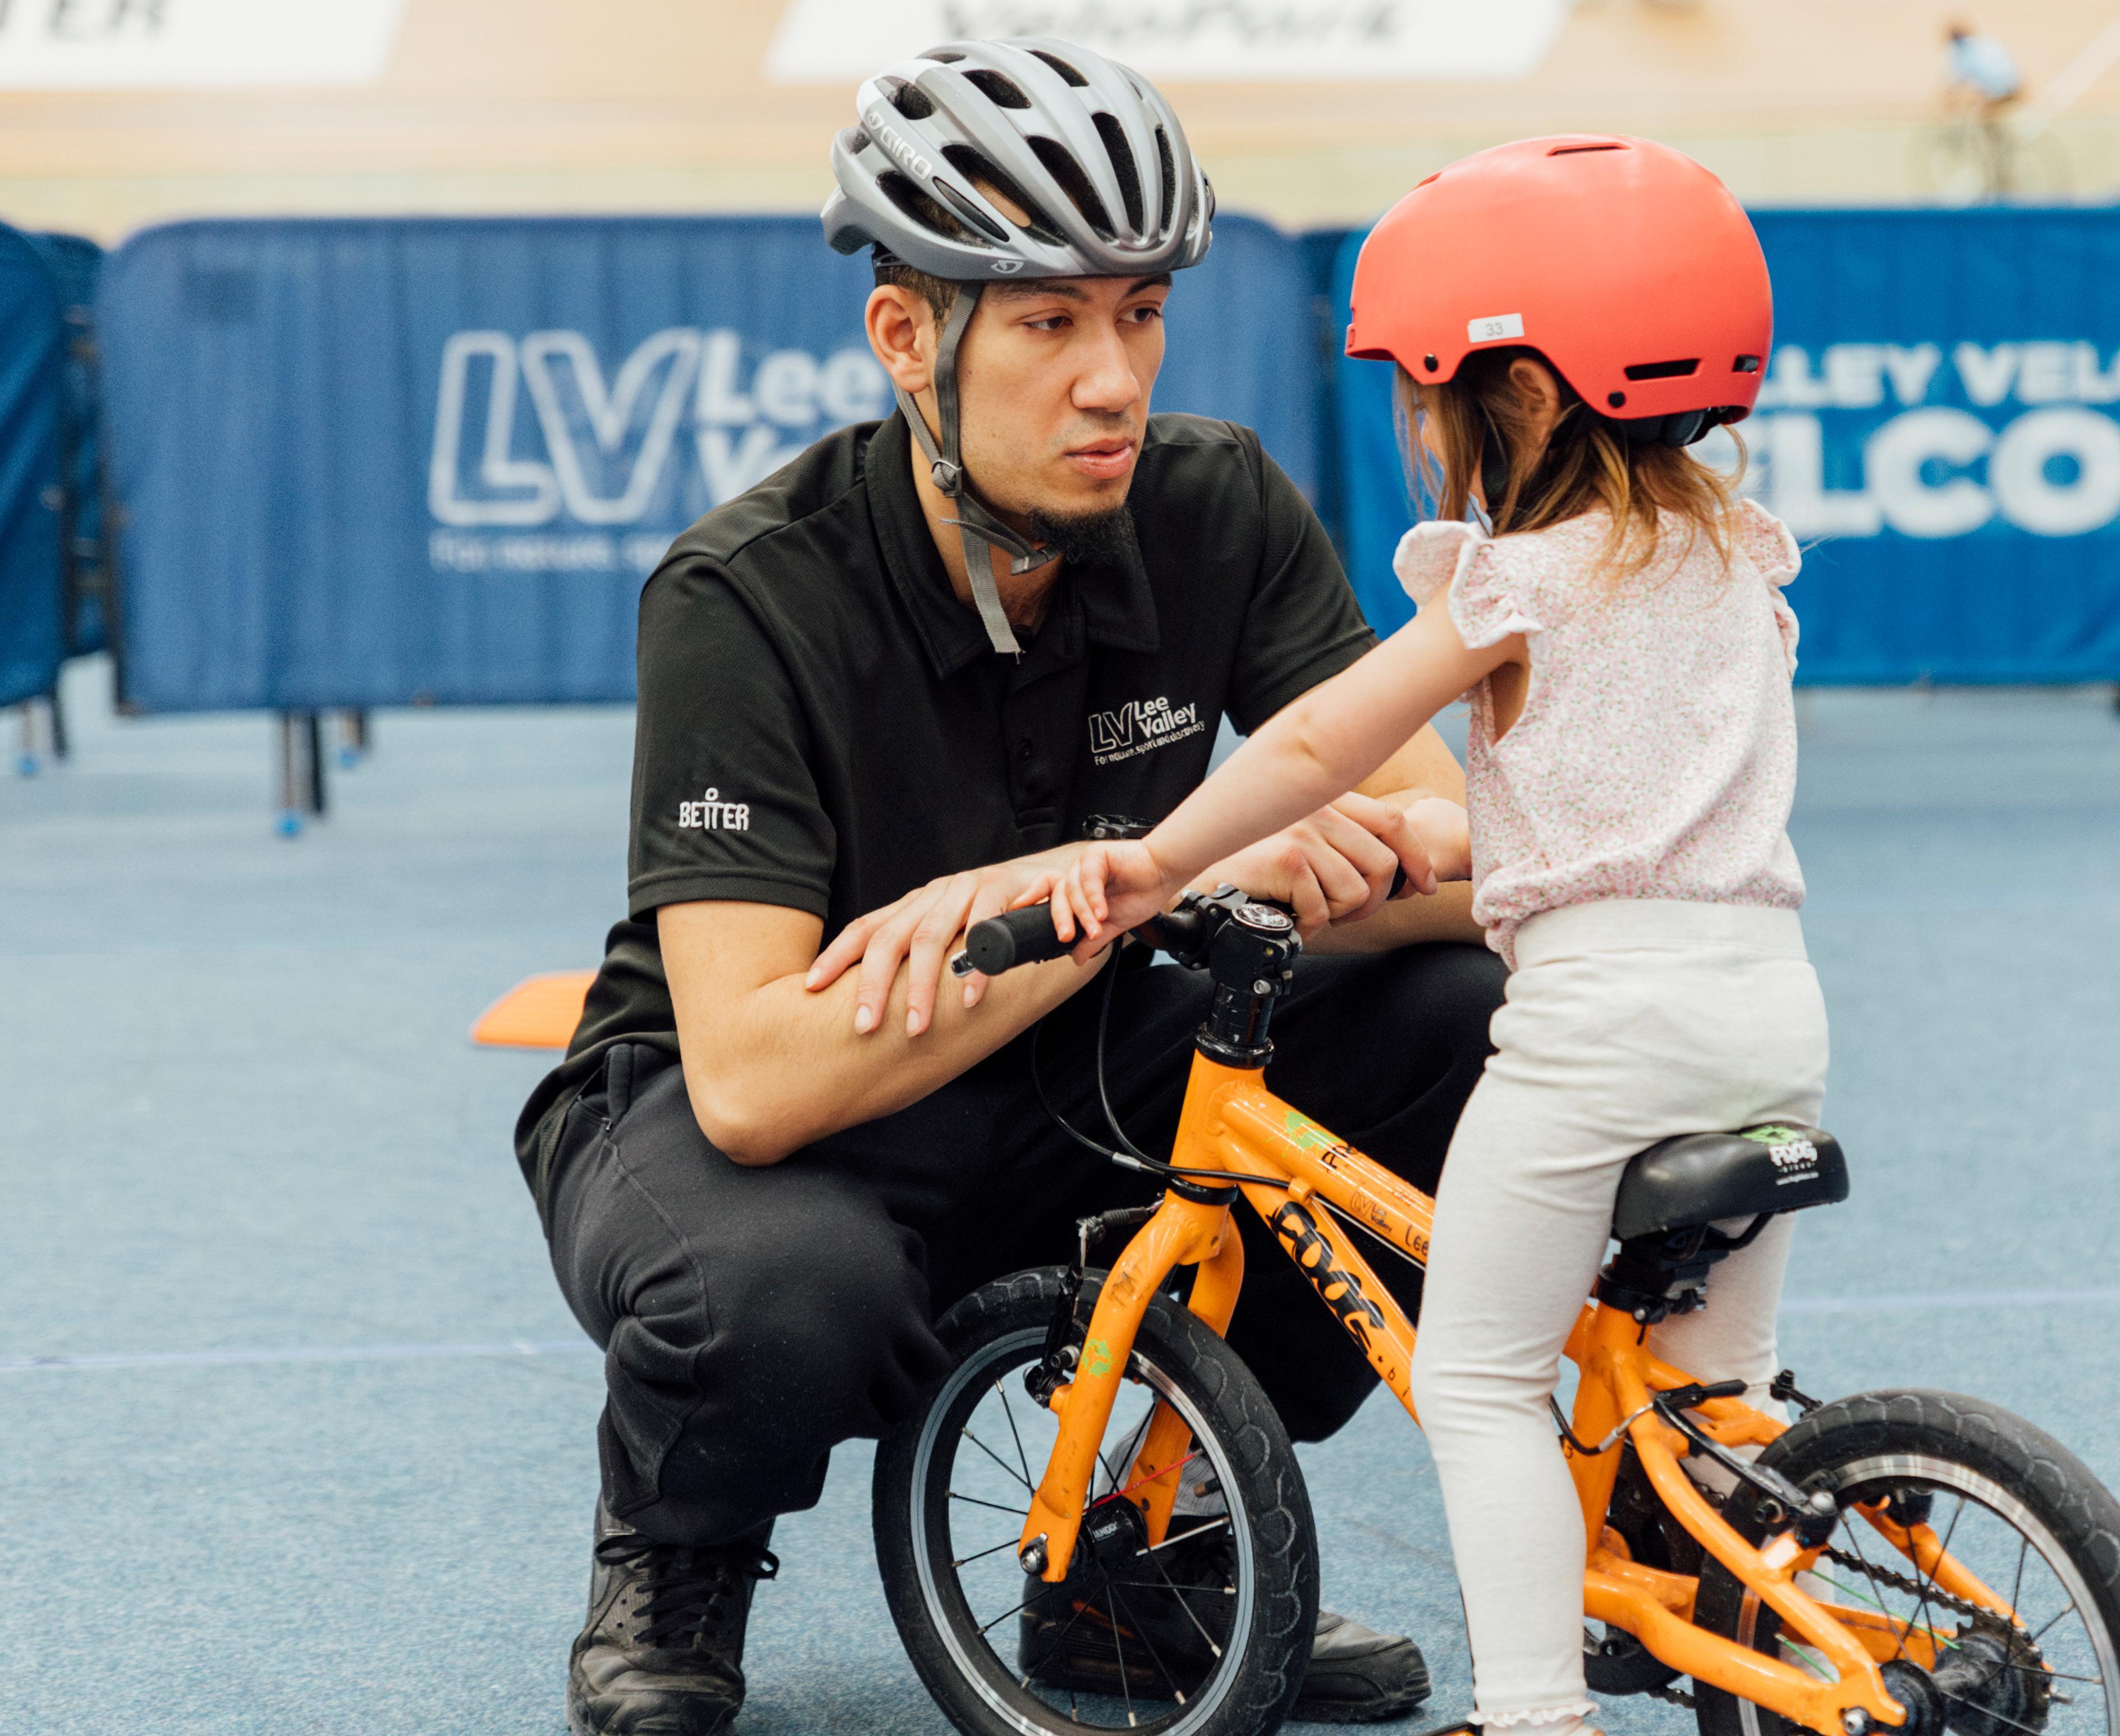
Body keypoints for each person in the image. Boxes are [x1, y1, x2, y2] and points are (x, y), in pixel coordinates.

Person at [510, 36, 1498, 1736]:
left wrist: (1215, 879)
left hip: (1069, 1055)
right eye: (1049, 324)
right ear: (910, 338)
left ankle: (1147, 1550)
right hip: (772, 1108)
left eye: (1137, 314)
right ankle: (674, 1552)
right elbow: (754, 1073)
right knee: (780, 1300)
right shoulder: (744, 595)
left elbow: (1458, 863)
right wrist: (1174, 874)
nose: (1111, 379)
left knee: (1467, 1025)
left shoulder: (1216, 509)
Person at [1040, 135, 1823, 1736]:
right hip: (1772, 1018)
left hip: (1601, 1030)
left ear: (1520, 401)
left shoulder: (1513, 581)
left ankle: (1532, 1712)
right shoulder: (1738, 560)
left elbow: (1322, 737)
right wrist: (1481, 832)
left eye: (1422, 393)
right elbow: (1652, 791)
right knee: (1708, 1397)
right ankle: (1751, 1625)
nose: (1416, 427)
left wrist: (1158, 855)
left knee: (1476, 1383)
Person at [1943, 16, 2023, 114]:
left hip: (1998, 92)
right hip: (2016, 85)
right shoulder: (1987, 42)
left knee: (1974, 110)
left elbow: (1957, 83)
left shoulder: (1962, 51)